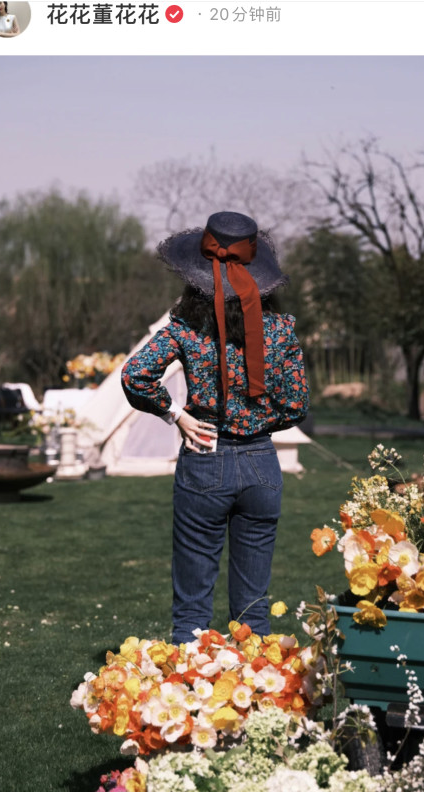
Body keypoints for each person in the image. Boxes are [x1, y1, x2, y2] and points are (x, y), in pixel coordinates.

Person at [121, 211, 309, 644]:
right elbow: (297, 406)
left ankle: (186, 703)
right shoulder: (280, 330)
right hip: (263, 464)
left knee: (191, 611)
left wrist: (178, 415)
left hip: (204, 456)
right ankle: (257, 703)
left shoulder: (185, 329)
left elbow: (136, 374)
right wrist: (258, 421)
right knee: (252, 612)